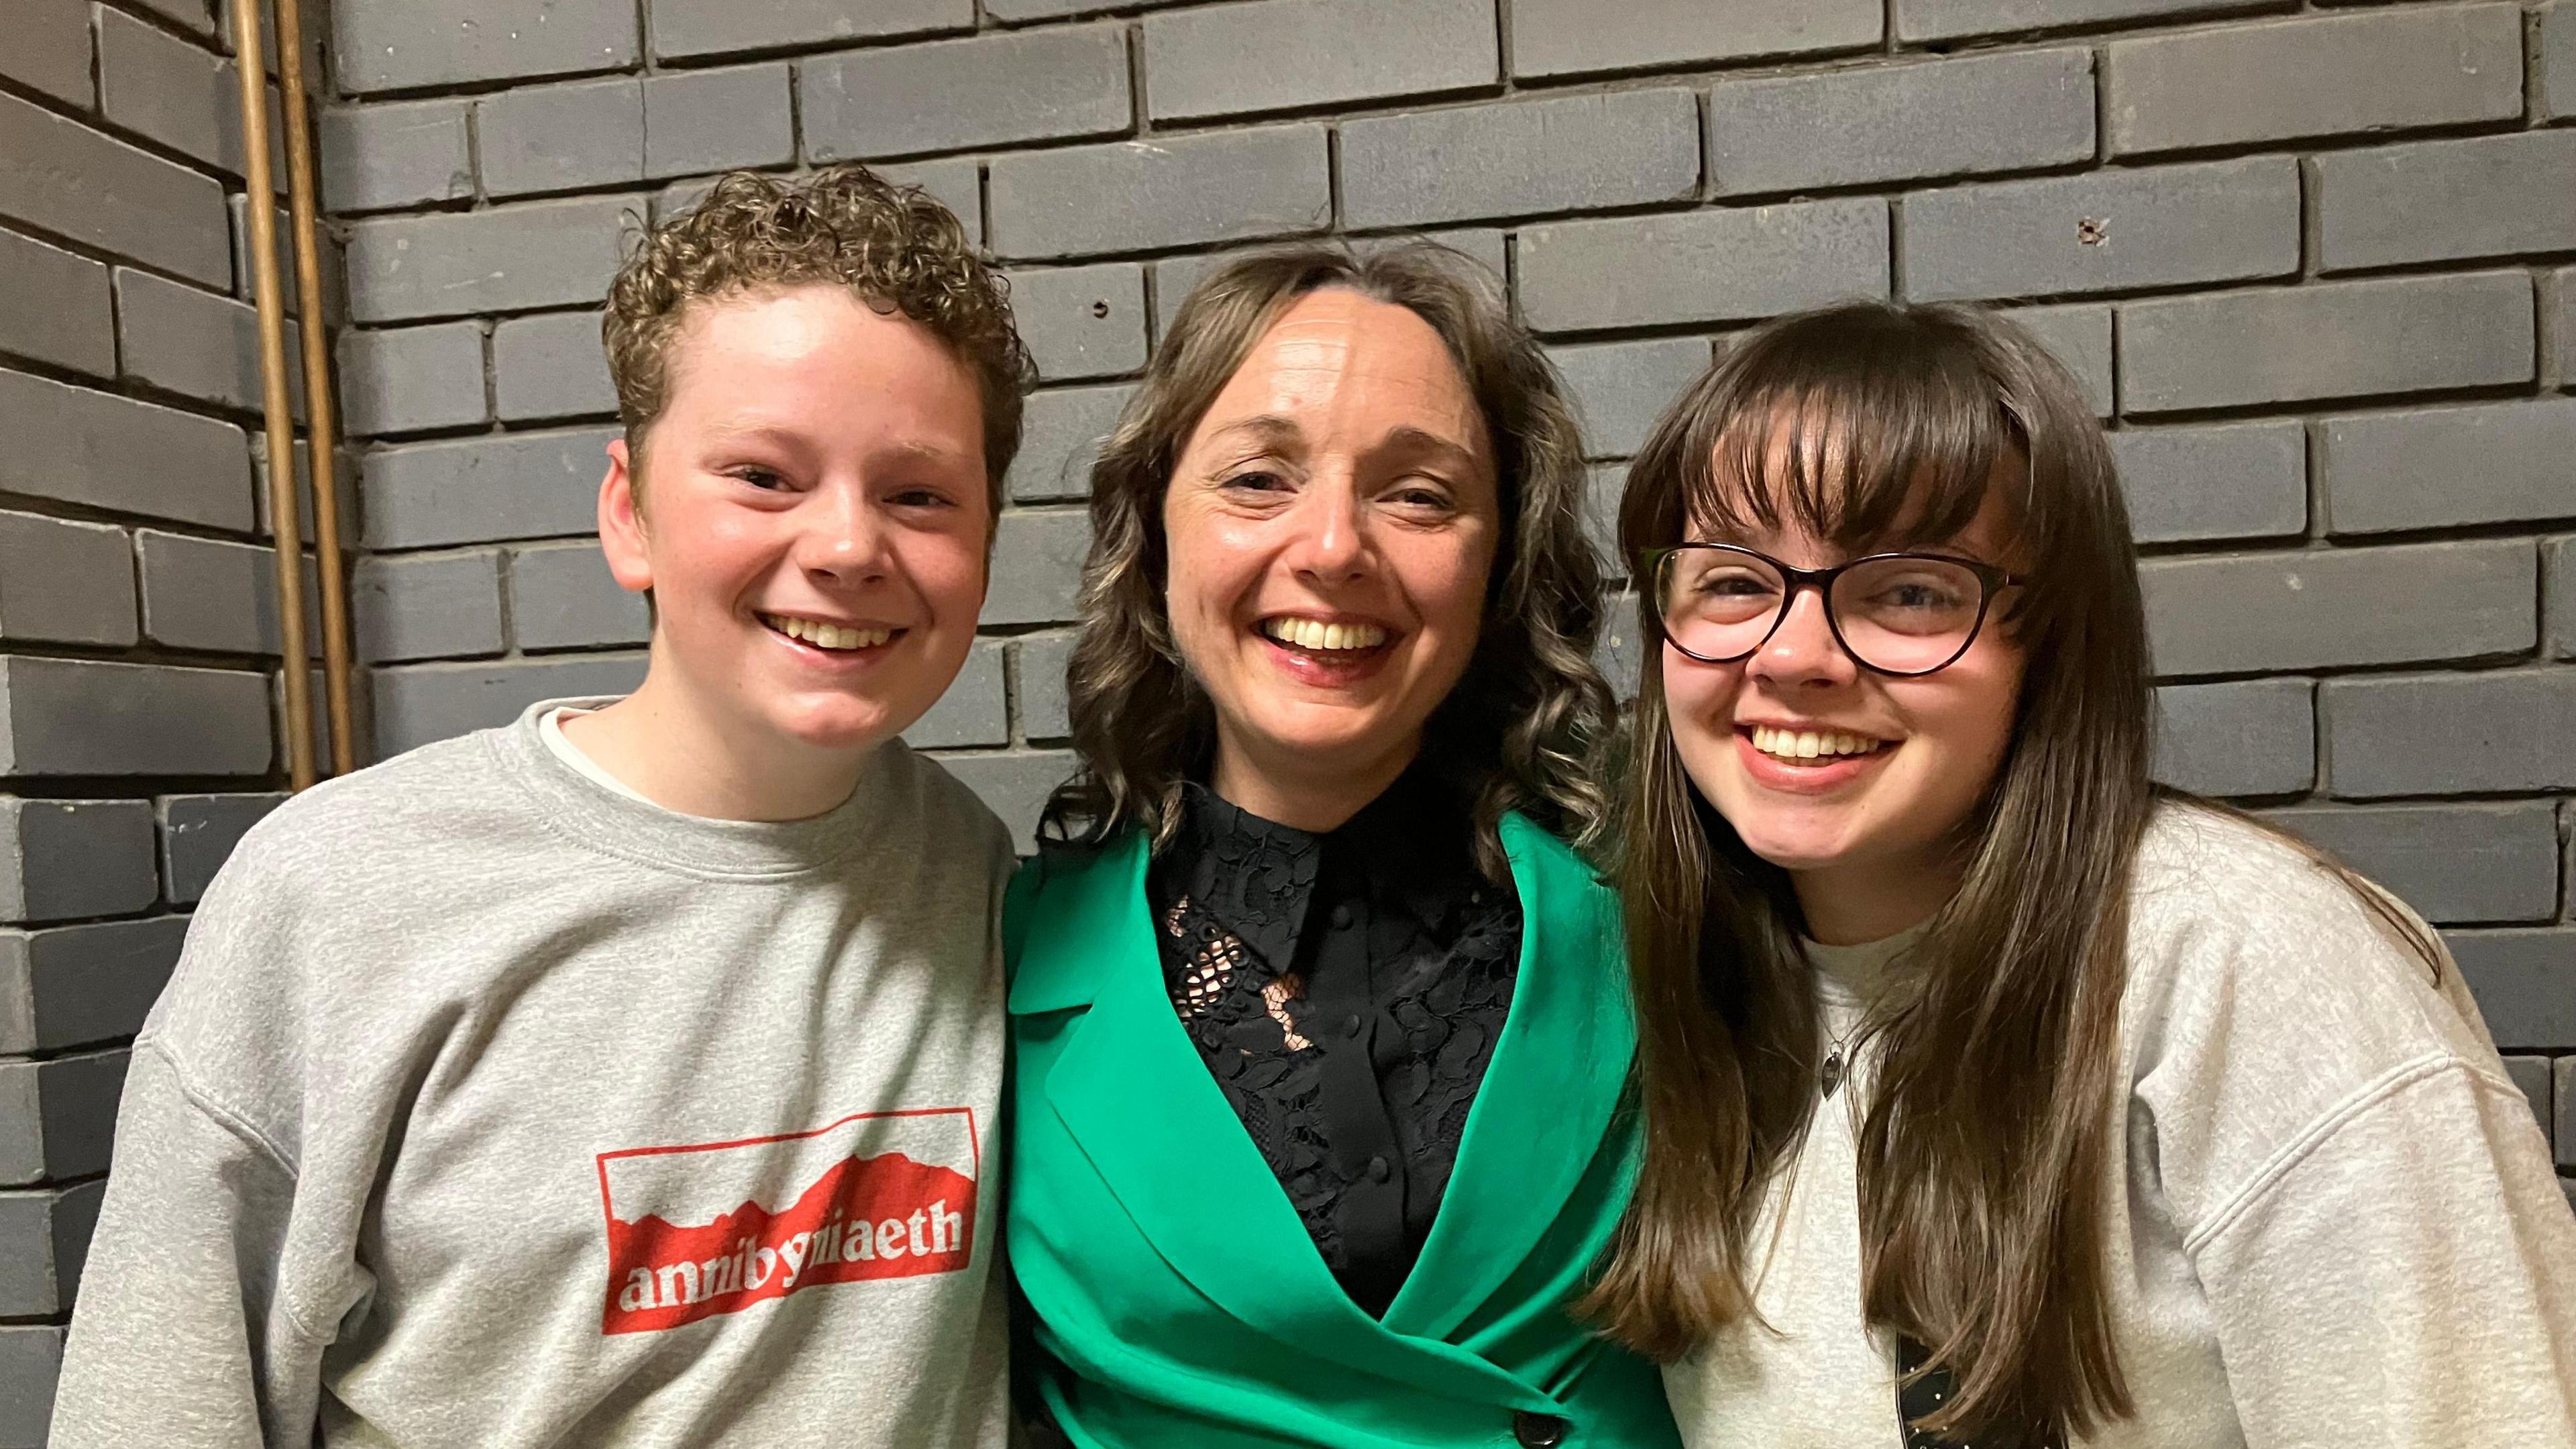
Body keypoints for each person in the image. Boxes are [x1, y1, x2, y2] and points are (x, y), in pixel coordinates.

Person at [52, 165, 1037, 1447]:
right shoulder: (338, 892)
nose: (850, 547)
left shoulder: (969, 873)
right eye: (764, 476)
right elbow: (161, 1407)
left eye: (920, 494)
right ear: (630, 514)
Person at [1591, 299, 2576, 1448]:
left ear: (2048, 643)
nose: (1795, 655)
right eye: (1732, 582)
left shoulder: (2242, 966)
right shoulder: (1676, 973)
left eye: (1910, 591)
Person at [1004, 242, 1680, 1448]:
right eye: (1258, 479)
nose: (1331, 548)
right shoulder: (990, 964)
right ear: (1155, 536)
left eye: (1419, 495)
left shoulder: (1666, 921)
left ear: (1500, 558)